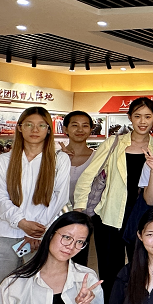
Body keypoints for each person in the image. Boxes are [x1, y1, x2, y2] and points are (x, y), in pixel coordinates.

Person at [73, 97, 153, 304]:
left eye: (147, 116)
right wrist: (80, 208)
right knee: (110, 271)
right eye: (137, 116)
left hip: (143, 217)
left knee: (142, 269)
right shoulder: (114, 143)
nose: (142, 121)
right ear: (129, 117)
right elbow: (89, 175)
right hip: (110, 216)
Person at [0, 106, 70, 304]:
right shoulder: (5, 160)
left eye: (41, 125)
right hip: (4, 235)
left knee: (35, 297)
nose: (35, 130)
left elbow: (59, 198)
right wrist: (22, 223)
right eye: (29, 125)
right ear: (19, 128)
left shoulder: (60, 159)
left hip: (41, 239)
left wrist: (36, 230)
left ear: (49, 130)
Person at [59, 111, 97, 265]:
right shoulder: (55, 157)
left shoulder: (97, 158)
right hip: (56, 216)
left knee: (78, 260)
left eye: (85, 126)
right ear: (65, 129)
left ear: (91, 129)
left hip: (86, 217)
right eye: (75, 125)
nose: (80, 129)